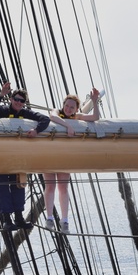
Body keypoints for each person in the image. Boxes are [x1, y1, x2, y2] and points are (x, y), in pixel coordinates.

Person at [0, 82, 51, 231]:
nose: (18, 102)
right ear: (11, 99)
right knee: (3, 188)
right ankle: (7, 220)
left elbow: (45, 119)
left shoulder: (25, 114)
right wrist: (1, 94)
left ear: (24, 103)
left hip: (17, 157)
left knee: (19, 186)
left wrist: (36, 130)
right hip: (1, 157)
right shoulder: (3, 111)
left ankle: (19, 218)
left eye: (22, 101)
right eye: (16, 99)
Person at [44, 88, 101, 233]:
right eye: (67, 106)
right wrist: (68, 126)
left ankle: (65, 220)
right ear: (63, 105)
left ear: (76, 109)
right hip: (49, 153)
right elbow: (52, 116)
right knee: (50, 186)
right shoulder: (57, 112)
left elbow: (95, 117)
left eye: (72, 107)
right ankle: (49, 217)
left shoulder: (77, 117)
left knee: (63, 188)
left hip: (64, 155)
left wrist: (94, 101)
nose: (68, 109)